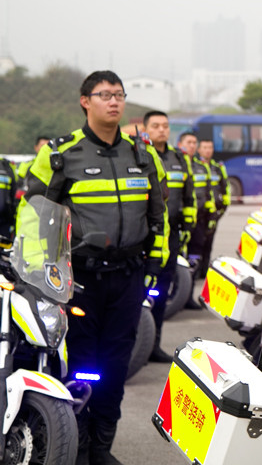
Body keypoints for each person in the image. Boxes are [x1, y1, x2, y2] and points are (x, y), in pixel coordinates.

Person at [23, 71, 166, 465]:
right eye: (104, 95)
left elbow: (159, 213)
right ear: (85, 101)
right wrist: (40, 274)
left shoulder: (143, 154)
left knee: (116, 365)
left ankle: (102, 447)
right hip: (80, 279)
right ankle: (79, 446)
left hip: (129, 277)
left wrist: (157, 260)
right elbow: (33, 215)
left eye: (119, 94)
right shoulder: (60, 153)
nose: (114, 102)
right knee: (83, 364)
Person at [143, 110, 196, 363]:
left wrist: (188, 222)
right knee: (140, 292)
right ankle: (136, 345)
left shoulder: (179, 158)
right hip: (144, 234)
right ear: (146, 129)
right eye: (156, 126)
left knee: (162, 292)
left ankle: (153, 345)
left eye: (165, 126)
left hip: (171, 234)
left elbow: (189, 194)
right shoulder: (138, 154)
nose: (162, 130)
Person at [180, 131, 214, 306]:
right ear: (180, 144)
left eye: (194, 142)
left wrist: (211, 217)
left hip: (199, 222)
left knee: (194, 260)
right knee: (179, 261)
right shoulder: (176, 164)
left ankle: (188, 298)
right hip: (180, 222)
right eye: (189, 142)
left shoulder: (202, 167)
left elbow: (209, 194)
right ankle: (176, 297)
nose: (192, 145)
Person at [198, 139, 230, 274]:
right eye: (204, 147)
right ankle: (196, 270)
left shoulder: (217, 168)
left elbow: (225, 189)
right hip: (199, 213)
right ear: (199, 149)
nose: (208, 150)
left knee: (208, 243)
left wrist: (222, 209)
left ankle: (204, 270)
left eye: (210, 147)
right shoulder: (194, 166)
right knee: (197, 243)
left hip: (214, 214)